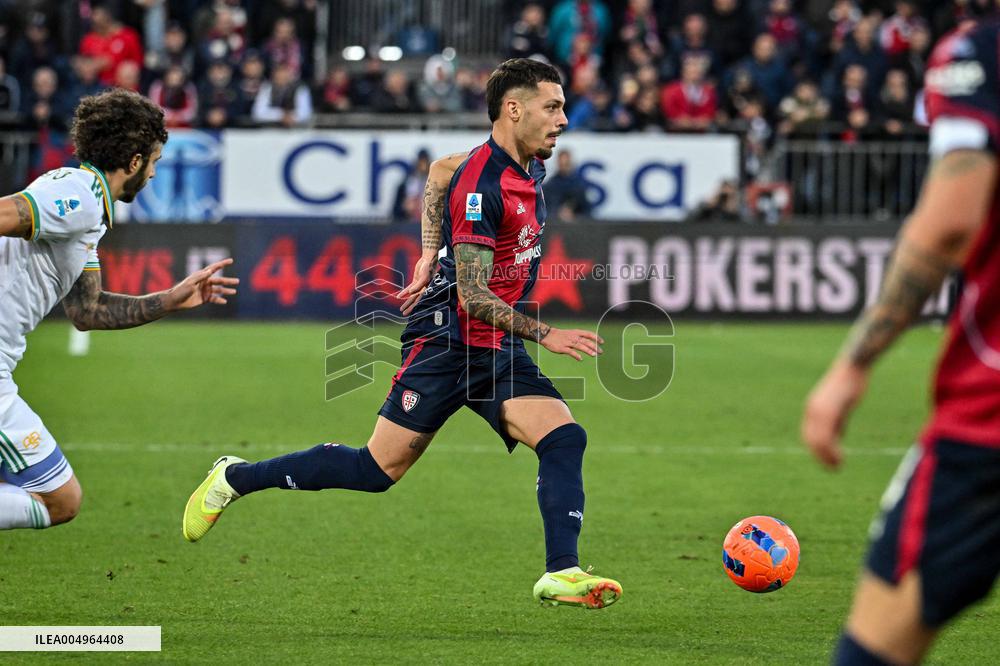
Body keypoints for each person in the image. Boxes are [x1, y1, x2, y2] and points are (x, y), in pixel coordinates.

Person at [182, 58, 623, 610]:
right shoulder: (483, 187)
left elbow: (438, 171)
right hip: (446, 340)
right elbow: (472, 297)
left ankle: (562, 572)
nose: (562, 119)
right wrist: (548, 333)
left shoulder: (520, 163)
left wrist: (425, 254)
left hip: (491, 345)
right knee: (375, 470)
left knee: (563, 438)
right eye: (552, 107)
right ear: (514, 109)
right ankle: (236, 478)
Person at [802, 18, 1000, 665]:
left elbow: (950, 220)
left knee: (875, 646)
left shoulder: (978, 51)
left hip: (988, 417)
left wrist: (851, 366)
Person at [0, 89, 238, 531]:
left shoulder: (84, 203)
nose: (152, 173)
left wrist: (171, 299)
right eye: (153, 161)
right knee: (59, 500)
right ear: (132, 161)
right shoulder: (79, 196)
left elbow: (88, 310)